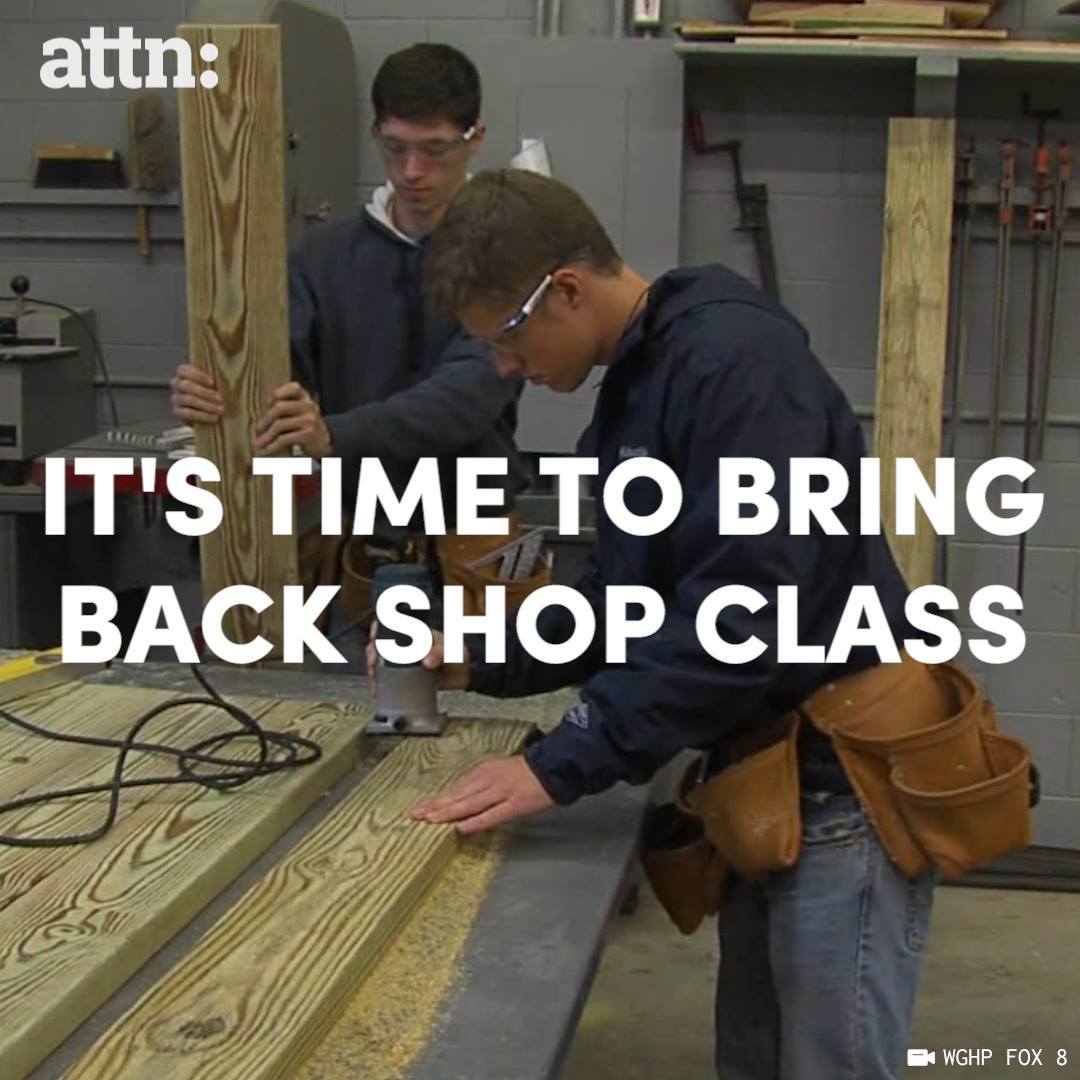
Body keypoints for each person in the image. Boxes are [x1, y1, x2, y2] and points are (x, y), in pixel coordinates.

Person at [392, 168, 955, 1079]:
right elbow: (629, 601)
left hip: (841, 783)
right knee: (756, 1056)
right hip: (766, 771)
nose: (505, 366)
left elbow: (742, 619)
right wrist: (479, 657)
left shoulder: (737, 367)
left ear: (566, 290)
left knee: (831, 1063)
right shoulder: (644, 379)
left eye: (506, 337)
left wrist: (559, 762)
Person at [169, 44, 532, 618]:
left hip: (477, 542)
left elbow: (465, 396)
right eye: (395, 147)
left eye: (434, 149)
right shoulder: (321, 256)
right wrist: (215, 390)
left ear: (475, 139)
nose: (412, 171)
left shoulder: (509, 255)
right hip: (364, 544)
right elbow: (274, 374)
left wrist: (333, 435)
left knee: (496, 673)